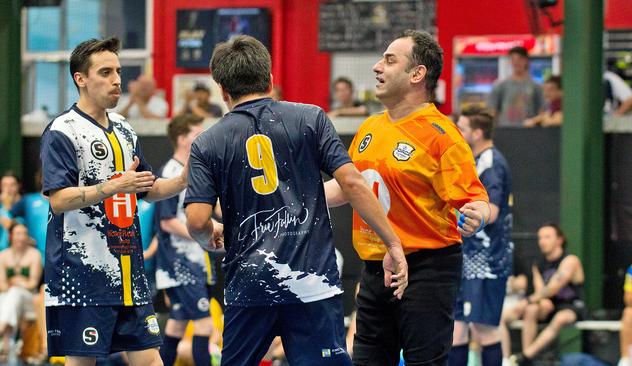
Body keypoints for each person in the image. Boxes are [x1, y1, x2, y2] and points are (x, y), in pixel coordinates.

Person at [184, 35, 408, 366]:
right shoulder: (310, 118)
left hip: (249, 286)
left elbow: (197, 221)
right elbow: (352, 183)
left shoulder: (207, 142)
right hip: (312, 284)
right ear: (271, 79)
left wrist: (210, 235)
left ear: (222, 90)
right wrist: (393, 244)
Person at [324, 29, 490, 365]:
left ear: (417, 74)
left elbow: (475, 199)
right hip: (375, 268)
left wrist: (479, 213)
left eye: (389, 60)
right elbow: (348, 187)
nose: (376, 67)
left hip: (427, 270)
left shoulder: (442, 135)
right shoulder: (370, 127)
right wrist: (292, 197)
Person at [40, 37, 190, 365]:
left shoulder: (124, 129)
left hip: (128, 274)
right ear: (81, 78)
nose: (117, 80)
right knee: (82, 362)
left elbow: (146, 188)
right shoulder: (63, 130)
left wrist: (184, 179)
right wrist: (113, 186)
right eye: (106, 72)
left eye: (119, 71)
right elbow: (58, 200)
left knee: (151, 360)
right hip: (82, 274)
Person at [450, 105, 513, 366]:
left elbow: (494, 210)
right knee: (457, 328)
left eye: (462, 128)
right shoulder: (472, 160)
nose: (457, 132)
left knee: (483, 328)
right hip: (466, 257)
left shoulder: (492, 162)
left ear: (476, 133)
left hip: (487, 261)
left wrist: (471, 216)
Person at [154, 113, 215, 366]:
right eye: (197, 134)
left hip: (194, 259)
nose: (203, 138)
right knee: (205, 325)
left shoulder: (192, 170)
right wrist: (203, 232)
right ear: (182, 139)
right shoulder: (170, 173)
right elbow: (167, 221)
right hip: (180, 263)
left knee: (176, 326)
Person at [509, 223, 585, 366]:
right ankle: (526, 360)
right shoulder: (538, 263)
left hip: (571, 306)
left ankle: (526, 355)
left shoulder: (570, 260)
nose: (542, 241)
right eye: (540, 238)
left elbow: (554, 287)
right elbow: (541, 291)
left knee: (560, 318)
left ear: (559, 240)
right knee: (531, 310)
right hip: (549, 305)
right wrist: (538, 302)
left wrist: (528, 300)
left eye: (547, 237)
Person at [0, 223, 42, 362]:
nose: (21, 237)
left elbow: (33, 284)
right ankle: (7, 345)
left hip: (29, 299)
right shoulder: (3, 255)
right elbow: (2, 284)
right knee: (11, 295)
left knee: (15, 293)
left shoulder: (34, 254)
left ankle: (2, 330)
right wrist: (17, 284)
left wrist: (17, 284)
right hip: (9, 297)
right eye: (18, 233)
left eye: (24, 233)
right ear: (11, 236)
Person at [488, 46, 544, 126]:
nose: (516, 62)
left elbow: (542, 111)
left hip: (530, 131)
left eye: (520, 59)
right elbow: (492, 111)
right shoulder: (500, 85)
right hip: (505, 130)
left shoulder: (536, 86)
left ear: (526, 60)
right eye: (513, 59)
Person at [5, 169, 49, 259]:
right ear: (41, 179)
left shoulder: (66, 203)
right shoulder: (28, 200)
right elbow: (8, 216)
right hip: (35, 258)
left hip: (59, 258)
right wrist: (23, 236)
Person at [0, 172, 22, 251]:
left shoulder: (25, 204)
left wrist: (6, 207)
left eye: (12, 185)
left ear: (19, 186)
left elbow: (8, 224)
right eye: (5, 185)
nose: (8, 189)